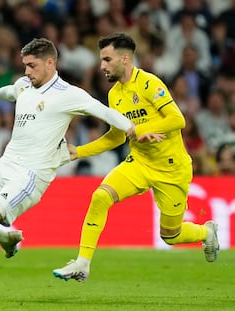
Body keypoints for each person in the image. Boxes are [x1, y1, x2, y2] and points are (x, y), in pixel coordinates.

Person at [0, 37, 134, 300]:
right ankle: (5, 237)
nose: (27, 72)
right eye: (25, 66)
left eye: (32, 65)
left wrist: (133, 130)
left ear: (50, 62)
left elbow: (105, 112)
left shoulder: (69, 94)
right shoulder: (24, 85)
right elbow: (12, 91)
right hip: (4, 166)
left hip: (31, 176)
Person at [53, 33, 220, 283]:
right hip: (140, 163)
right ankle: (82, 264)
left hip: (171, 169)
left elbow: (178, 119)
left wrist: (140, 130)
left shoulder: (149, 83)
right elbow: (116, 137)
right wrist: (79, 151)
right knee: (100, 196)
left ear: (125, 58)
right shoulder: (114, 94)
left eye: (107, 59)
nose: (102, 66)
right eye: (101, 60)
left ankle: (206, 232)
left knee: (170, 235)